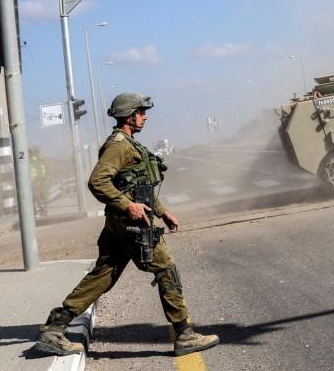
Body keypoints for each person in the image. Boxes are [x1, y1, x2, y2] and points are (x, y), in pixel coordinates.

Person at [35, 93, 219, 358]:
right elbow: (97, 181)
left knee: (104, 275)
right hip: (132, 224)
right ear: (130, 115)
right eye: (141, 113)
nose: (145, 116)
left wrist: (163, 211)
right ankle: (184, 334)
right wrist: (127, 206)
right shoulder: (119, 145)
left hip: (120, 223)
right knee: (166, 269)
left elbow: (136, 187)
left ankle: (54, 329)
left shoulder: (128, 143)